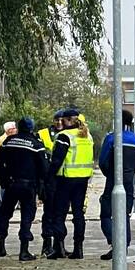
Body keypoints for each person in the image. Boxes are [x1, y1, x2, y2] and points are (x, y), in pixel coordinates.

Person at [0, 118, 47, 261]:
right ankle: (24, 251)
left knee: (4, 214)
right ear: (31, 128)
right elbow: (44, 168)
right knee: (26, 217)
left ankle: (0, 248)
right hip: (29, 186)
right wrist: (42, 187)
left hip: (11, 184)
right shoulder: (36, 144)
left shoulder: (8, 142)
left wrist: (4, 180)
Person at [47, 108, 95, 259]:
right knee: (78, 213)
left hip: (65, 179)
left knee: (59, 213)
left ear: (66, 120)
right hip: (83, 179)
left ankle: (59, 247)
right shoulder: (88, 136)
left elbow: (57, 161)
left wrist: (49, 177)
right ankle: (78, 249)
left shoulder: (64, 136)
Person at [98, 109, 135, 260]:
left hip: (113, 180)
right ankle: (124, 245)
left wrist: (110, 174)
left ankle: (115, 244)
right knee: (124, 214)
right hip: (129, 181)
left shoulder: (111, 139)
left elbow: (103, 161)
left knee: (106, 213)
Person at [37, 110, 65, 256]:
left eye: (62, 120)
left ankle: (59, 244)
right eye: (57, 120)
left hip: (63, 178)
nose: (59, 123)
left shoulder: (68, 134)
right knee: (49, 213)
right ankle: (46, 244)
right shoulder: (42, 134)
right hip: (49, 179)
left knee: (60, 214)